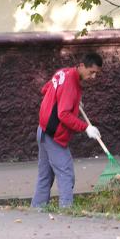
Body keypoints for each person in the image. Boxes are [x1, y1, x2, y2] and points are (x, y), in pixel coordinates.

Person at [31, 53, 103, 209]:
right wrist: (86, 128)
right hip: (53, 135)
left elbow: (46, 89)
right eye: (92, 72)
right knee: (66, 173)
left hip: (42, 131)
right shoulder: (71, 83)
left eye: (96, 73)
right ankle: (67, 212)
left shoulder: (63, 72)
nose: (94, 76)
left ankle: (37, 210)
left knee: (45, 175)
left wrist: (74, 102)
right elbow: (63, 114)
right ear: (82, 66)